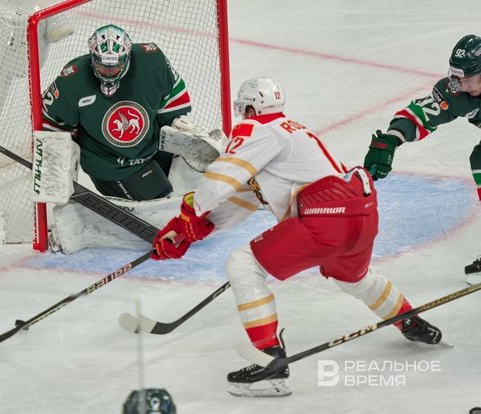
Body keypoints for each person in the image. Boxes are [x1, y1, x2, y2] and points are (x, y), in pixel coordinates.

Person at [150, 78, 443, 397]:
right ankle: (409, 321)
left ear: (251, 109)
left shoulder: (258, 129)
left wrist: (188, 214)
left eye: (243, 109)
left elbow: (220, 178)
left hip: (326, 216)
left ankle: (269, 362)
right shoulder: (289, 135)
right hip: (361, 213)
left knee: (243, 265)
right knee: (355, 280)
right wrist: (193, 230)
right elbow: (244, 198)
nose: (241, 116)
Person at [41, 24, 218, 201]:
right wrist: (53, 157)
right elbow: (51, 121)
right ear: (92, 58)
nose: (109, 73)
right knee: (159, 204)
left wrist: (176, 122)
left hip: (153, 146)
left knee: (192, 187)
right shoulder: (72, 81)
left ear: (127, 58)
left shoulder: (152, 62)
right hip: (111, 165)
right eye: (103, 67)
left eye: (115, 67)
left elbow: (172, 95)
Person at [363, 34, 481, 282]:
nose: (456, 83)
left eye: (464, 78)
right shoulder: (456, 92)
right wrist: (392, 139)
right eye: (454, 76)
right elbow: (419, 115)